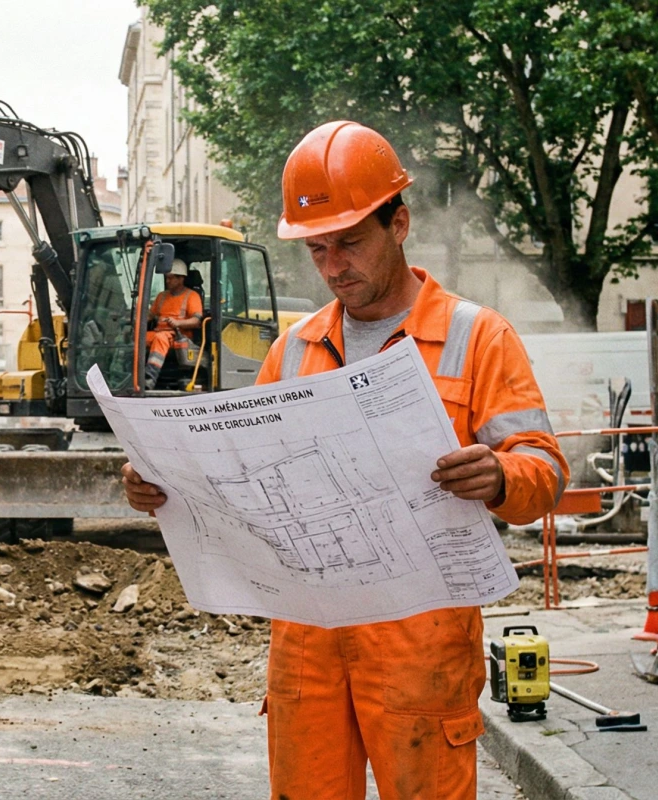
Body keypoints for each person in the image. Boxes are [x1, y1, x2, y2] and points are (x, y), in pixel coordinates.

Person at [121, 121, 566, 800]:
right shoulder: (293, 349)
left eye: (350, 242)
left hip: (421, 637)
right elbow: (240, 477)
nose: (333, 267)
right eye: (317, 249)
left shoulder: (478, 337)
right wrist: (165, 485)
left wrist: (503, 475)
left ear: (399, 224)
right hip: (309, 640)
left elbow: (546, 470)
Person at [143, 258, 204, 388]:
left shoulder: (192, 296)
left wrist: (177, 323)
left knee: (160, 338)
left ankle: (149, 378)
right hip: (159, 333)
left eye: (171, 278)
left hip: (179, 336)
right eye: (167, 278)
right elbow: (150, 315)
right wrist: (138, 320)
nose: (167, 281)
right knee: (137, 337)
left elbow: (196, 321)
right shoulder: (161, 296)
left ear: (181, 279)